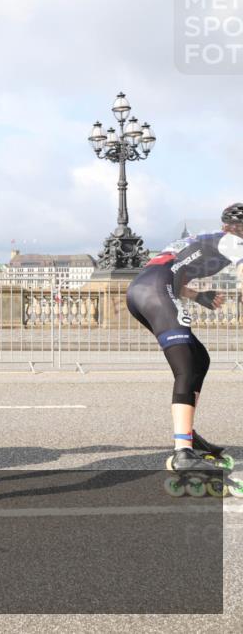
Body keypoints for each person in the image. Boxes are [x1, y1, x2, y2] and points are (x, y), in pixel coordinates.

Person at [126, 203, 243, 477]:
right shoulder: (234, 241)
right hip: (157, 291)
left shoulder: (201, 240)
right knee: (187, 366)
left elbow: (170, 271)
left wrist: (198, 296)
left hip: (140, 290)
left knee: (199, 358)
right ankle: (182, 453)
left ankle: (187, 433)